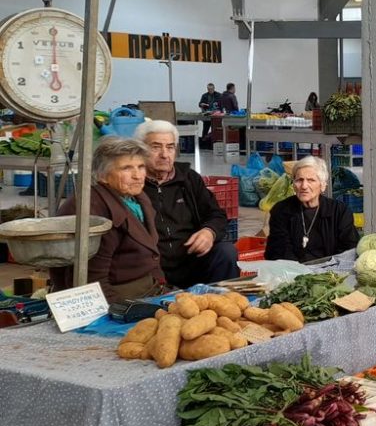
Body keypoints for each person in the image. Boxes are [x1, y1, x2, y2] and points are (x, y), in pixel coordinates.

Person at [50, 137, 164, 302]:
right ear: (102, 176)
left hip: (148, 290)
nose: (137, 175)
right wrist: (120, 313)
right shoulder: (91, 207)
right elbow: (92, 279)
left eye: (141, 167)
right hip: (115, 298)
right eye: (126, 168)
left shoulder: (137, 198)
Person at [136, 120, 239, 288]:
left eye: (170, 147)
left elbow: (217, 214)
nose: (164, 154)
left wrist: (209, 232)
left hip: (192, 260)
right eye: (156, 147)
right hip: (152, 266)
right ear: (140, 150)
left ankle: (225, 304)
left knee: (226, 252)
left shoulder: (189, 179)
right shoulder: (134, 184)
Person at [265, 156, 359, 263]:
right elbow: (279, 250)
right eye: (299, 180)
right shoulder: (281, 210)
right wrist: (301, 274)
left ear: (323, 185)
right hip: (292, 273)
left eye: (311, 180)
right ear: (294, 184)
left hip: (331, 273)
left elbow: (349, 249)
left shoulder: (339, 211)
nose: (304, 186)